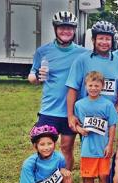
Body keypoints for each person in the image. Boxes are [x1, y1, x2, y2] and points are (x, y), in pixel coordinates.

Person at [65, 21, 118, 183]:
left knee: (106, 151)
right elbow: (73, 87)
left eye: (107, 38)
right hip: (87, 116)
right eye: (100, 38)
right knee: (88, 152)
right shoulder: (83, 60)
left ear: (112, 40)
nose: (104, 42)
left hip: (108, 115)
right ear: (94, 40)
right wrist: (70, 115)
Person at [28, 11, 87, 172]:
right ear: (55, 29)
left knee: (67, 148)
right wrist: (36, 78)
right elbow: (32, 74)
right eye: (62, 28)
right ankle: (47, 179)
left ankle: (64, 182)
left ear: (74, 30)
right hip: (49, 109)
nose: (65, 31)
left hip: (71, 111)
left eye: (69, 28)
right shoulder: (43, 51)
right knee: (45, 148)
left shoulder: (83, 53)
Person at [73, 71, 118, 183]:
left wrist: (110, 144)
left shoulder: (107, 105)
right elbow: (77, 123)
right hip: (88, 148)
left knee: (103, 175)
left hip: (102, 146)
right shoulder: (79, 105)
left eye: (96, 85)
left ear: (102, 86)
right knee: (88, 175)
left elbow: (112, 125)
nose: (93, 88)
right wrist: (80, 129)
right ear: (86, 86)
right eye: (90, 85)